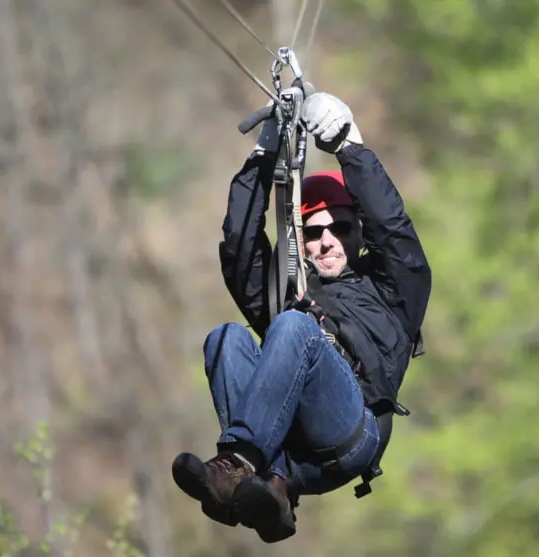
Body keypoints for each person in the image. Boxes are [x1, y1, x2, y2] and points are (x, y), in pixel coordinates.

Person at [171, 90, 431, 543]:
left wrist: (349, 147)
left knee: (294, 325)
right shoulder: (285, 289)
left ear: (358, 233)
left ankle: (238, 466)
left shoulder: (391, 290)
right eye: (313, 231)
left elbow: (395, 234)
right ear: (301, 240)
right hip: (289, 449)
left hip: (352, 430)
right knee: (226, 337)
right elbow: (240, 247)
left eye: (340, 228)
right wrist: (262, 158)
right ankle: (269, 493)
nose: (327, 241)